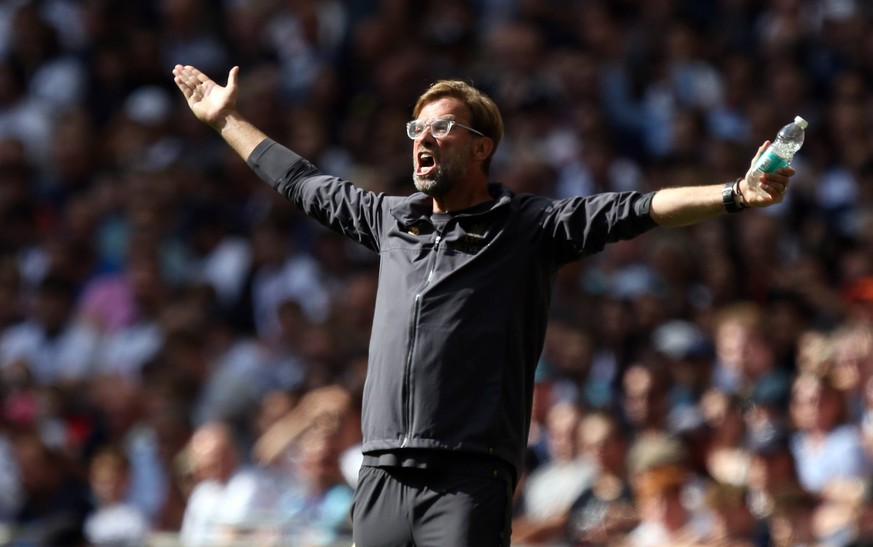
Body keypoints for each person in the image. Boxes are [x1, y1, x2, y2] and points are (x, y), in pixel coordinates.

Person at [172, 63, 795, 546]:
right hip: (381, 472)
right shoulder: (392, 221)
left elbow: (637, 208)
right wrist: (226, 120)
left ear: (480, 147)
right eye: (416, 129)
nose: (422, 139)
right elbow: (301, 181)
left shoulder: (528, 227)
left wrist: (735, 194)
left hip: (468, 477)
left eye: (441, 127)